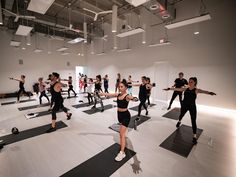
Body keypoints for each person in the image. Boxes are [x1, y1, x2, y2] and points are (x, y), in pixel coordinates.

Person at [164, 77, 216, 144]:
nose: (189, 83)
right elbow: (177, 89)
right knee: (181, 115)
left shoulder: (196, 90)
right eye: (189, 81)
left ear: (195, 83)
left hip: (192, 107)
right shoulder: (185, 89)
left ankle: (194, 136)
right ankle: (179, 121)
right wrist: (169, 89)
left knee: (193, 121)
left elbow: (204, 91)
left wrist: (210, 93)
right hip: (184, 106)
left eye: (191, 82)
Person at [100, 79, 138, 161]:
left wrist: (134, 98)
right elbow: (109, 94)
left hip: (126, 116)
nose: (120, 88)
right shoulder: (118, 94)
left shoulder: (127, 96)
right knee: (122, 132)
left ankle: (122, 153)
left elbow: (132, 98)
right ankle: (125, 131)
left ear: (125, 88)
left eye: (121, 87)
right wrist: (100, 93)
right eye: (119, 86)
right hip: (119, 116)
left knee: (121, 135)